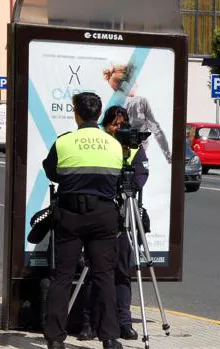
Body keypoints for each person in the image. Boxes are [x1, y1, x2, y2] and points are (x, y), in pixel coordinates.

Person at [42, 93, 123, 349]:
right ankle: (110, 338)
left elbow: (51, 171)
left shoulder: (64, 142)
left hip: (70, 214)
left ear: (76, 113)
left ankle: (55, 340)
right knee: (104, 276)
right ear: (98, 114)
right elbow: (118, 178)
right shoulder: (114, 144)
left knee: (62, 277)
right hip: (103, 215)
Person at [77, 106, 149, 342]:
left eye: (122, 124)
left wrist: (126, 186)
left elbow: (139, 176)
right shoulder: (100, 145)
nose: (118, 129)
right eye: (114, 124)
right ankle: (89, 323)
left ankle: (124, 322)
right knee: (94, 269)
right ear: (105, 125)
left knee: (122, 270)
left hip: (124, 213)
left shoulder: (135, 148)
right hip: (100, 211)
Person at [103, 64, 172, 162]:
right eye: (134, 82)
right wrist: (168, 156)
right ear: (126, 84)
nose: (137, 85)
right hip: (138, 155)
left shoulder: (111, 105)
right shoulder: (140, 102)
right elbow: (156, 130)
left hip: (117, 155)